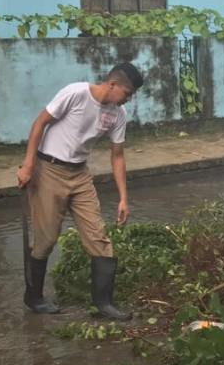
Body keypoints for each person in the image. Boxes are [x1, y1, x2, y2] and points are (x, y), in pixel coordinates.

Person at [17, 62, 144, 320]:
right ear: (112, 84)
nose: (129, 100)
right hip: (48, 170)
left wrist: (123, 198)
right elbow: (40, 123)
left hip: (80, 174)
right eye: (127, 93)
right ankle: (34, 296)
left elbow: (117, 156)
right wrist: (28, 166)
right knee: (46, 240)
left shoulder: (118, 114)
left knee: (98, 237)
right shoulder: (75, 93)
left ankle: (103, 304)